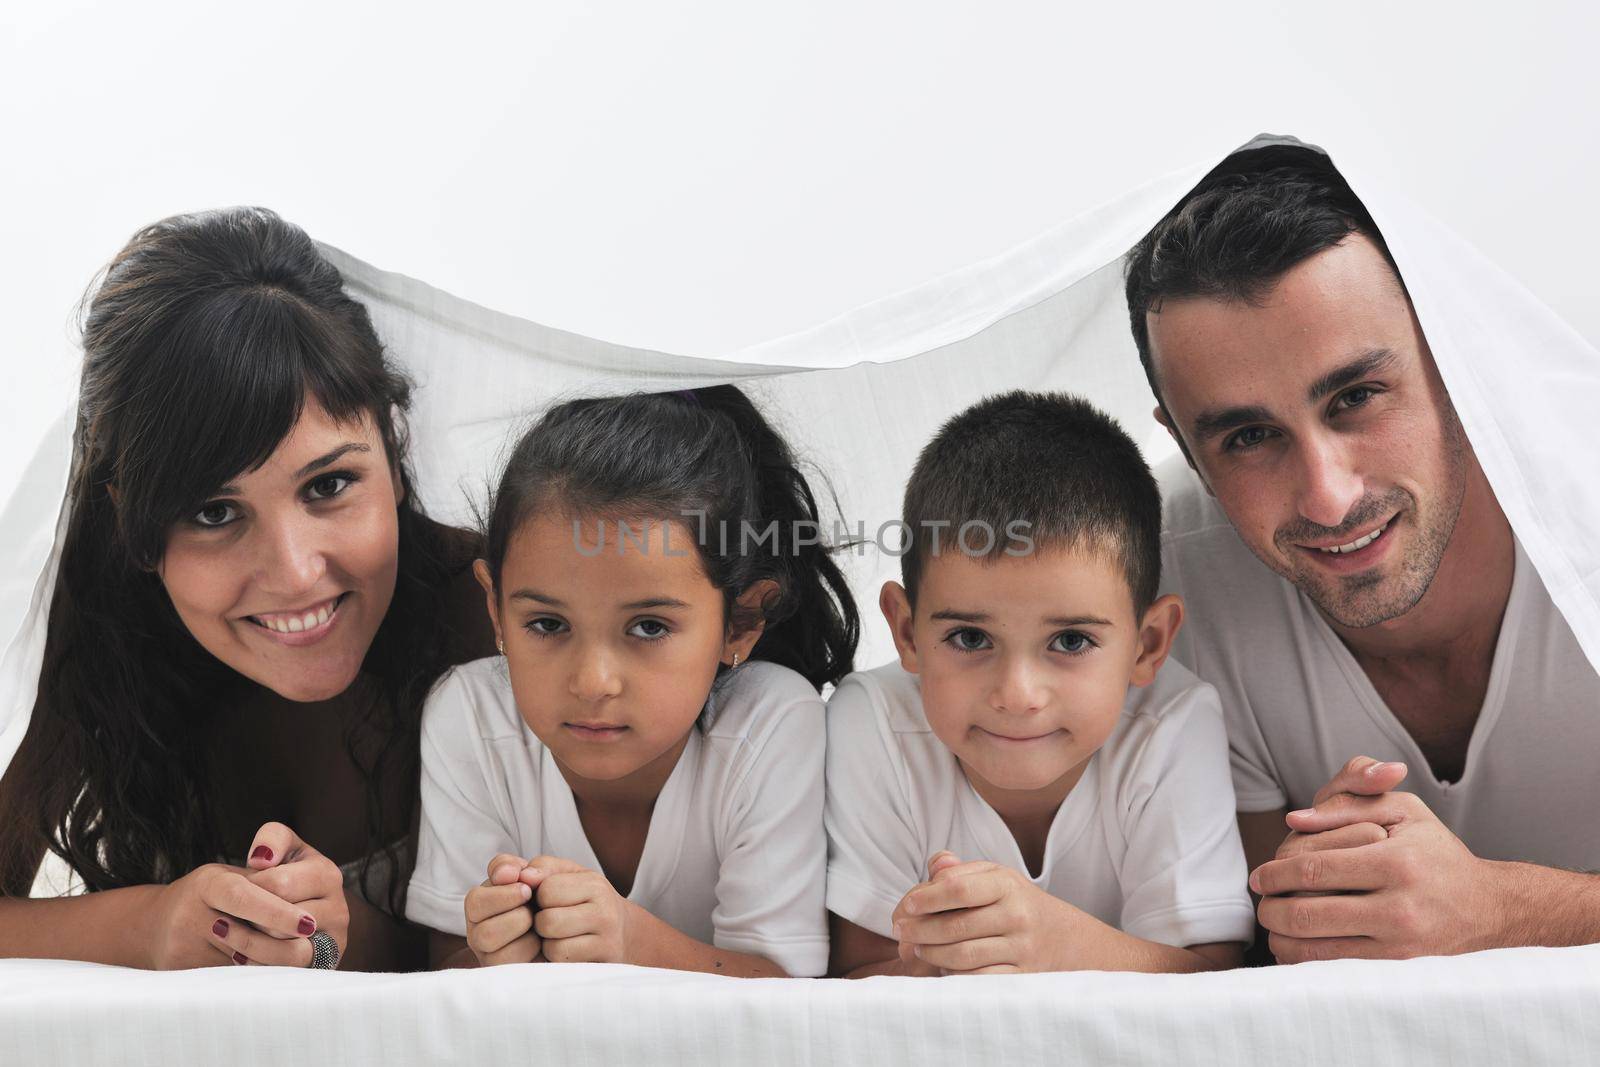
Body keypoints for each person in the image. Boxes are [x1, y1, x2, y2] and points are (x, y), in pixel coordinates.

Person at [1125, 144, 1600, 963]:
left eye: (1355, 398)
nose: (1327, 496)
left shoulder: (1580, 485)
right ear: (1185, 445)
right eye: (1247, 437)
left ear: (1453, 355)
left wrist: (1508, 910)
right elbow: (1246, 949)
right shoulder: (1153, 584)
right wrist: (1314, 903)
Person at [0, 207, 493, 971]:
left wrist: (341, 934)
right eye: (214, 511)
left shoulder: (512, 615)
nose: (296, 572)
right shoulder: (91, 649)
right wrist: (149, 923)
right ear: (131, 518)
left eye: (329, 484)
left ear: (394, 453)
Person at [405, 385, 858, 977]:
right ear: (495, 612)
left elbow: (788, 992)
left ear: (740, 623)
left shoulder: (771, 725)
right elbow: (443, 968)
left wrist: (630, 942)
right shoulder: (468, 717)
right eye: (547, 623)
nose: (593, 682)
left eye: (648, 627)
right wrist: (495, 954)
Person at [826, 390, 1254, 977]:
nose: (1018, 694)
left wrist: (1054, 944)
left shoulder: (1174, 723)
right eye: (971, 639)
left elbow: (1214, 978)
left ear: (1148, 644)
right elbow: (855, 979)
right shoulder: (872, 726)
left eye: (1071, 641)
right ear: (906, 631)